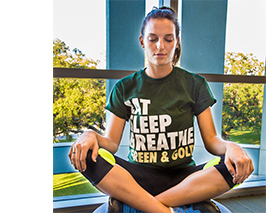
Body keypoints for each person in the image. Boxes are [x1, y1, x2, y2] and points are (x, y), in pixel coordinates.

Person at [68, 7, 253, 213]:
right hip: (136, 177)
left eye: (168, 39)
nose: (160, 46)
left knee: (236, 164)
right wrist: (89, 135)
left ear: (177, 41)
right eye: (153, 38)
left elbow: (211, 141)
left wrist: (232, 147)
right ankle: (168, 209)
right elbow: (110, 144)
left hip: (184, 179)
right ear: (142, 41)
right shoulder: (124, 87)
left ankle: (139, 203)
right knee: (88, 156)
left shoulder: (195, 84)